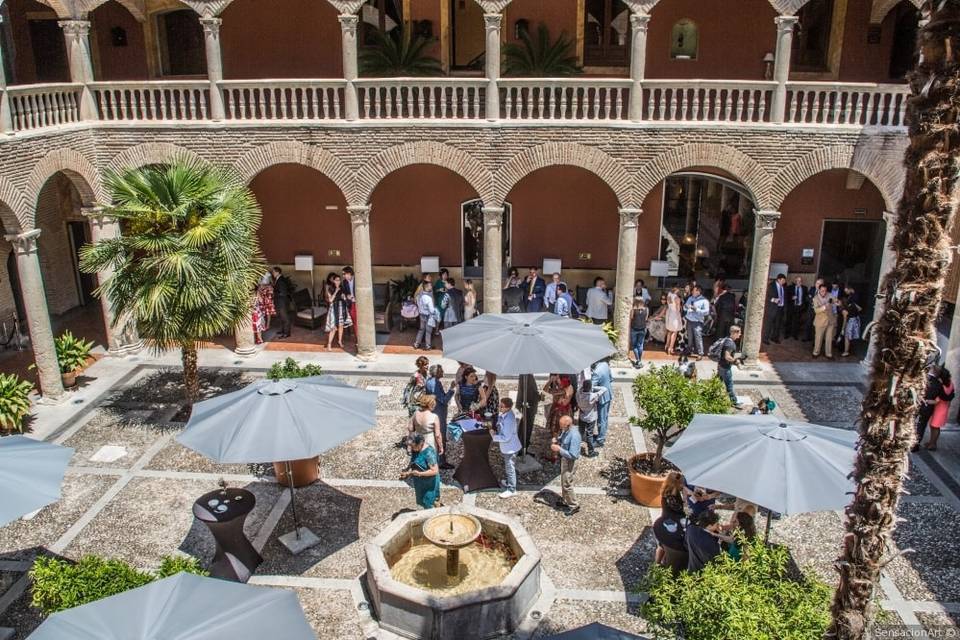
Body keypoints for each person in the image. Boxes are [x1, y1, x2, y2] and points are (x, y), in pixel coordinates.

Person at [489, 397, 521, 498]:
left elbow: (506, 437)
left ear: (508, 408)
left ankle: (512, 489)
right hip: (509, 447)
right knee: (509, 467)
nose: (499, 408)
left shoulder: (509, 419)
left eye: (501, 406)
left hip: (510, 448)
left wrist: (493, 436)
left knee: (510, 468)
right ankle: (509, 482)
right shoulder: (506, 414)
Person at [426, 365, 456, 469]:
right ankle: (441, 461)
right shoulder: (434, 383)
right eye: (441, 370)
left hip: (436, 412)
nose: (443, 371)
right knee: (440, 437)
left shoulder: (431, 381)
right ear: (437, 372)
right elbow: (443, 400)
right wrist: (452, 389)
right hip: (439, 414)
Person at [654, 472, 687, 568]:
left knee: (662, 545)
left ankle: (659, 561)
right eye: (681, 484)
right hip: (669, 521)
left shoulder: (672, 491)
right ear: (675, 484)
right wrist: (685, 500)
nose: (683, 485)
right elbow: (680, 509)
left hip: (670, 519)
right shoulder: (670, 496)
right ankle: (658, 562)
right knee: (663, 544)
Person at [400, 434, 441, 509]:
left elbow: (435, 471)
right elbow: (414, 460)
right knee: (423, 501)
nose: (411, 448)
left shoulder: (429, 453)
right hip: (420, 482)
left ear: (420, 444)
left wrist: (419, 473)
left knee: (429, 502)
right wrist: (408, 471)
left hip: (429, 483)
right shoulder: (415, 449)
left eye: (413, 446)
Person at [551, 415, 581, 516]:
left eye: (562, 426)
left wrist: (559, 449)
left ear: (568, 425)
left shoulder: (574, 436)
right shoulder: (566, 430)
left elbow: (573, 455)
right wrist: (557, 439)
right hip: (565, 460)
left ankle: (574, 505)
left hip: (570, 462)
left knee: (567, 484)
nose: (560, 428)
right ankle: (565, 500)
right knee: (564, 481)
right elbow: (562, 438)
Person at [543, 373, 575, 461]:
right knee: (564, 432)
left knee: (555, 433)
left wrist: (550, 381)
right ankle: (563, 451)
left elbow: (545, 391)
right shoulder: (570, 386)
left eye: (558, 380)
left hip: (559, 413)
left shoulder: (562, 390)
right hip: (566, 411)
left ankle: (555, 455)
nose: (557, 382)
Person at [914, 365, 943, 452]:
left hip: (917, 404)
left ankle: (907, 441)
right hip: (928, 408)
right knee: (921, 426)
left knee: (911, 422)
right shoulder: (939, 384)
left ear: (932, 370)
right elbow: (938, 398)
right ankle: (915, 446)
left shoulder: (923, 379)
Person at [576, 378, 607, 457]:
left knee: (580, 433)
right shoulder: (593, 396)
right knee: (589, 435)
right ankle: (591, 452)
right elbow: (604, 389)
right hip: (591, 418)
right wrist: (594, 387)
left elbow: (579, 389)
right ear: (590, 387)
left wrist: (585, 387)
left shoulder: (578, 394)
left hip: (582, 417)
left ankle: (575, 449)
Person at [925, 368, 954, 451]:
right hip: (944, 408)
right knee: (934, 426)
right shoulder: (950, 384)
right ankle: (932, 442)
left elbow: (936, 401)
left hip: (939, 409)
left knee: (935, 427)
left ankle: (933, 444)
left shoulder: (941, 387)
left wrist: (926, 401)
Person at [324, 272, 352, 351]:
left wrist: (345, 297)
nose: (338, 281)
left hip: (342, 308)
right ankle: (329, 344)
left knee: (341, 326)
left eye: (339, 280)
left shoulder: (342, 288)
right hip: (334, 308)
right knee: (333, 327)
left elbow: (345, 297)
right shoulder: (330, 289)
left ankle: (339, 341)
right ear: (333, 281)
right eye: (336, 280)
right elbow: (330, 300)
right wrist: (336, 291)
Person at [409, 395, 443, 460]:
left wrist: (409, 445)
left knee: (420, 461)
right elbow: (437, 435)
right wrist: (441, 447)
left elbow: (410, 428)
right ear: (430, 405)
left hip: (418, 441)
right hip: (430, 441)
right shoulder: (434, 417)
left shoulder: (415, 414)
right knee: (431, 462)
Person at [716, 325, 742, 408]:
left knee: (717, 382)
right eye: (739, 332)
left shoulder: (726, 339)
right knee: (729, 385)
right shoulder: (731, 344)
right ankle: (734, 402)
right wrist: (736, 361)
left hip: (720, 365)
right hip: (725, 368)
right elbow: (727, 356)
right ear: (734, 333)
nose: (740, 334)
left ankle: (712, 395)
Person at [811, 283, 837, 359]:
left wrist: (837, 302)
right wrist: (824, 307)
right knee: (818, 338)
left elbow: (834, 300)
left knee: (829, 338)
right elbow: (816, 310)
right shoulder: (815, 298)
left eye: (825, 291)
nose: (824, 292)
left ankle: (828, 354)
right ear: (819, 290)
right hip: (820, 321)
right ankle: (816, 352)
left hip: (830, 320)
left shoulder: (830, 294)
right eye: (822, 291)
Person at [591, 358, 613, 447]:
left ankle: (600, 440)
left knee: (601, 419)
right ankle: (601, 435)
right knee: (605, 418)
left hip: (602, 397)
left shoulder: (596, 372)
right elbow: (611, 379)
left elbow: (591, 387)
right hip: (609, 394)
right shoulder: (605, 364)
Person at [684, 285, 710, 357]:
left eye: (694, 290)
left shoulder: (704, 301)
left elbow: (706, 312)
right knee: (689, 336)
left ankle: (700, 353)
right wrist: (686, 307)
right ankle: (689, 350)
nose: (692, 292)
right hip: (689, 319)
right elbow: (685, 306)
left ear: (698, 291)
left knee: (698, 337)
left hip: (697, 321)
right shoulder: (690, 298)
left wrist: (696, 309)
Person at [763, 273, 787, 345]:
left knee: (777, 325)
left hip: (780, 308)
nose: (784, 282)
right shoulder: (771, 286)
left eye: (784, 281)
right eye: (782, 280)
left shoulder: (783, 287)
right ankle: (765, 339)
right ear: (778, 279)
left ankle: (775, 338)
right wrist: (773, 299)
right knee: (769, 324)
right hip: (772, 308)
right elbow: (765, 296)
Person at [413, 279, 437, 350]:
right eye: (430, 286)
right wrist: (436, 311)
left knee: (421, 329)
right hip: (428, 316)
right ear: (427, 287)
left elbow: (418, 305)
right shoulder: (428, 298)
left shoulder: (418, 296)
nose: (431, 287)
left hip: (421, 315)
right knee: (428, 331)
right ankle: (428, 345)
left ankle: (416, 344)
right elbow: (432, 310)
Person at [271, 266, 293, 339]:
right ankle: (283, 330)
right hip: (279, 302)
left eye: (273, 272)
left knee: (285, 317)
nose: (272, 273)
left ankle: (287, 333)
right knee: (281, 317)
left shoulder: (281, 280)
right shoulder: (278, 279)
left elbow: (283, 293)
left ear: (277, 272)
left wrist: (273, 293)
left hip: (282, 302)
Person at [839, 285, 861, 357]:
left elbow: (859, 308)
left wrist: (848, 308)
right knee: (848, 335)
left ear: (850, 289)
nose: (846, 292)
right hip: (851, 318)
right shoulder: (851, 296)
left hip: (852, 318)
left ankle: (846, 351)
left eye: (846, 291)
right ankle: (847, 350)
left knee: (847, 336)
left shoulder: (855, 297)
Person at [786, 275, 807, 340]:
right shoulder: (790, 287)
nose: (799, 282)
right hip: (791, 307)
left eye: (800, 281)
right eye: (797, 281)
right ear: (795, 281)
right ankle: (787, 334)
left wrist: (803, 306)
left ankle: (795, 335)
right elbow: (786, 296)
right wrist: (791, 298)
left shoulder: (804, 288)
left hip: (799, 307)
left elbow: (805, 298)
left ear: (802, 282)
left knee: (797, 322)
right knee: (789, 320)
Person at [630, 297, 649, 369]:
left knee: (634, 345)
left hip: (634, 329)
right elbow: (646, 319)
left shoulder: (633, 309)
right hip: (642, 329)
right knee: (640, 345)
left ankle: (638, 360)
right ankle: (640, 360)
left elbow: (631, 317)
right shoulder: (646, 309)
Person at [665, 286, 683, 355]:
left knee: (669, 331)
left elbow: (668, 304)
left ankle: (666, 345)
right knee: (674, 332)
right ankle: (670, 348)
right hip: (674, 315)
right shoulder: (677, 298)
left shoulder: (669, 295)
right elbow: (678, 309)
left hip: (669, 313)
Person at [342, 266, 357, 345]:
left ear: (349, 273)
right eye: (343, 274)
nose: (343, 276)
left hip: (359, 303)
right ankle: (357, 339)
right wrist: (347, 295)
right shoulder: (344, 282)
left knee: (358, 321)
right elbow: (344, 292)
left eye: (344, 274)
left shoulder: (357, 280)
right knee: (354, 321)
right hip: (351, 303)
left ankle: (359, 338)